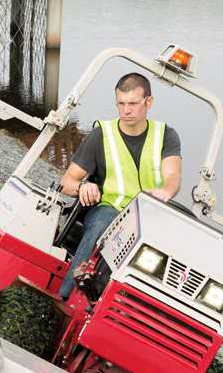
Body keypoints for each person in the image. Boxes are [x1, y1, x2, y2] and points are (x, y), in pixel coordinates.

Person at [56, 72, 182, 299]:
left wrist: (166, 190)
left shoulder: (166, 136)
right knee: (105, 225)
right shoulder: (101, 135)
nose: (126, 110)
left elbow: (173, 175)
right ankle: (66, 295)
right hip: (108, 210)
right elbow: (67, 181)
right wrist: (82, 187)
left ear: (149, 102)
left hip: (151, 219)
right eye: (121, 104)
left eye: (133, 103)